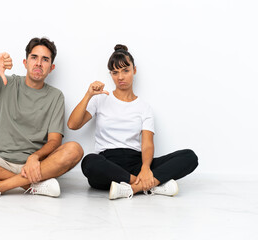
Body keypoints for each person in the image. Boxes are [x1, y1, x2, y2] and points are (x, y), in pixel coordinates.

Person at [0, 37, 83, 199]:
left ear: (51, 67)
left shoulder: (56, 96)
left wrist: (35, 157)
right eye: (34, 57)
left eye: (45, 59)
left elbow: (54, 141)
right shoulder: (7, 83)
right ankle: (30, 185)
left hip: (36, 166)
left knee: (74, 149)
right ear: (25, 63)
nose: (39, 63)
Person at [67, 44, 198, 200]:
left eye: (125, 71)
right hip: (108, 164)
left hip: (136, 163)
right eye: (115, 73)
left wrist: (145, 168)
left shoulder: (144, 107)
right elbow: (73, 125)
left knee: (189, 157)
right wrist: (88, 95)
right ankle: (148, 185)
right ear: (110, 74)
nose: (120, 77)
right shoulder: (100, 100)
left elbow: (147, 143)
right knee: (89, 162)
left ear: (134, 70)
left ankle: (132, 188)